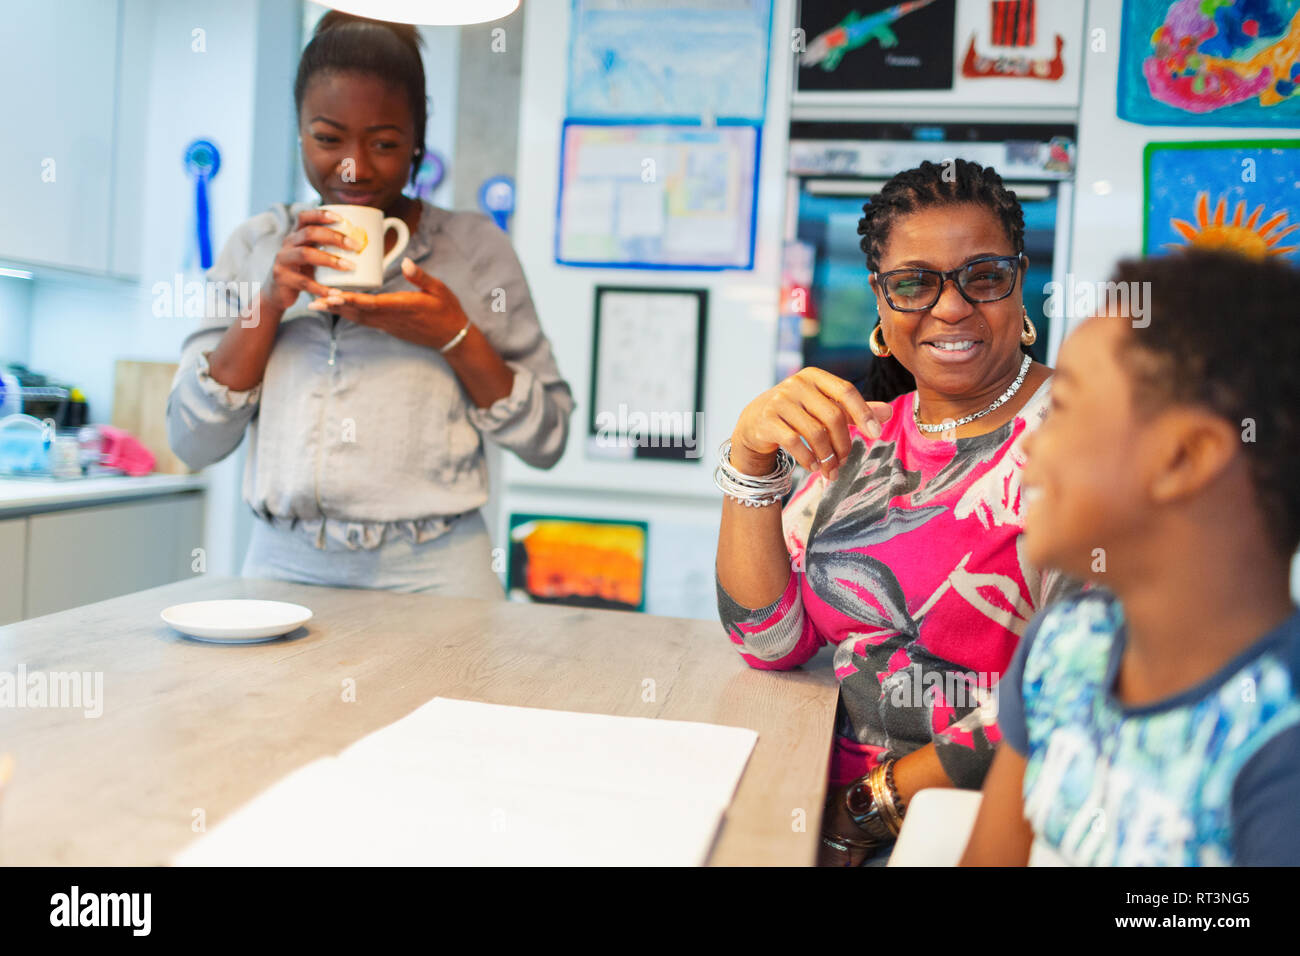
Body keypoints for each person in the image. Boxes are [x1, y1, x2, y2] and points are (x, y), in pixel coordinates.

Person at [714, 159, 1079, 865]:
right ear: (881, 304)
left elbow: (1075, 686)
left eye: (983, 275)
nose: (950, 307)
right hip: (817, 806)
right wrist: (750, 460)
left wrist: (868, 809)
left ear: (1020, 282)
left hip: (991, 827)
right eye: (915, 282)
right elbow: (769, 641)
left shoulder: (1085, 437)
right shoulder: (864, 438)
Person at [167, 13, 573, 599]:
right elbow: (190, 442)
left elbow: (548, 441)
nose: (354, 166)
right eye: (328, 138)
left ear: (417, 141)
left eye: (384, 143)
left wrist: (455, 335)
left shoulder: (475, 251)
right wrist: (272, 302)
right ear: (300, 131)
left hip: (438, 574)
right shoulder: (256, 246)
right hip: (283, 568)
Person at [961, 251, 1300, 866]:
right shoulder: (1064, 645)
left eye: (1062, 407)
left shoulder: (1280, 744)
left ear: (1184, 458)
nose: (1032, 442)